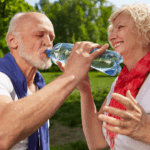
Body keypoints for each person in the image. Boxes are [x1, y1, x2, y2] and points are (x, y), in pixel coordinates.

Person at [0, 12, 109, 150]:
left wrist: (83, 86)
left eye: (51, 37)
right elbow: (2, 133)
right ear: (12, 40)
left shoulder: (39, 83)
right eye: (39, 35)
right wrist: (71, 75)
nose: (48, 43)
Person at [75, 3, 150, 150]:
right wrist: (84, 88)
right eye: (112, 30)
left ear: (145, 30)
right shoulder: (120, 82)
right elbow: (97, 143)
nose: (111, 36)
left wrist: (146, 130)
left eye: (120, 27)